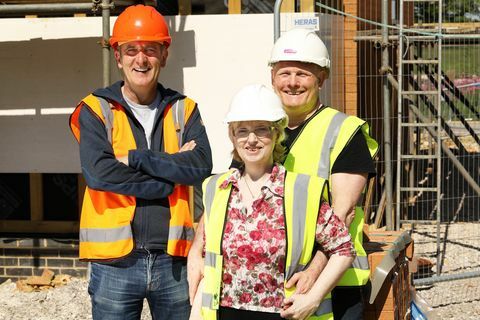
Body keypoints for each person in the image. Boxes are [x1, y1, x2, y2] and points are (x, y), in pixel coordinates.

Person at [69, 5, 212, 320]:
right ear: (118, 57)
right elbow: (100, 174)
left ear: (164, 55)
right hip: (116, 265)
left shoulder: (184, 110)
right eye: (131, 50)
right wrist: (170, 175)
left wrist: (136, 159)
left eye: (150, 49)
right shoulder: (96, 110)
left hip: (174, 261)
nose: (141, 59)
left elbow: (200, 167)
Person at [189, 84, 355, 320]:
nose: (252, 139)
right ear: (233, 136)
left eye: (262, 130)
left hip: (283, 313)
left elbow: (343, 248)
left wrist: (314, 297)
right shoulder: (217, 187)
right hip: (224, 313)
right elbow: (206, 255)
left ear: (276, 134)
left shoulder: (301, 191)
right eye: (242, 131)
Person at [268, 28, 379, 319]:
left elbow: (341, 217)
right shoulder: (262, 131)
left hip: (334, 278)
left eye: (303, 74)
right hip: (277, 278)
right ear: (272, 77)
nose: (292, 82)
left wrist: (313, 272)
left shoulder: (343, 131)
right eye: (285, 73)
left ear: (322, 78)